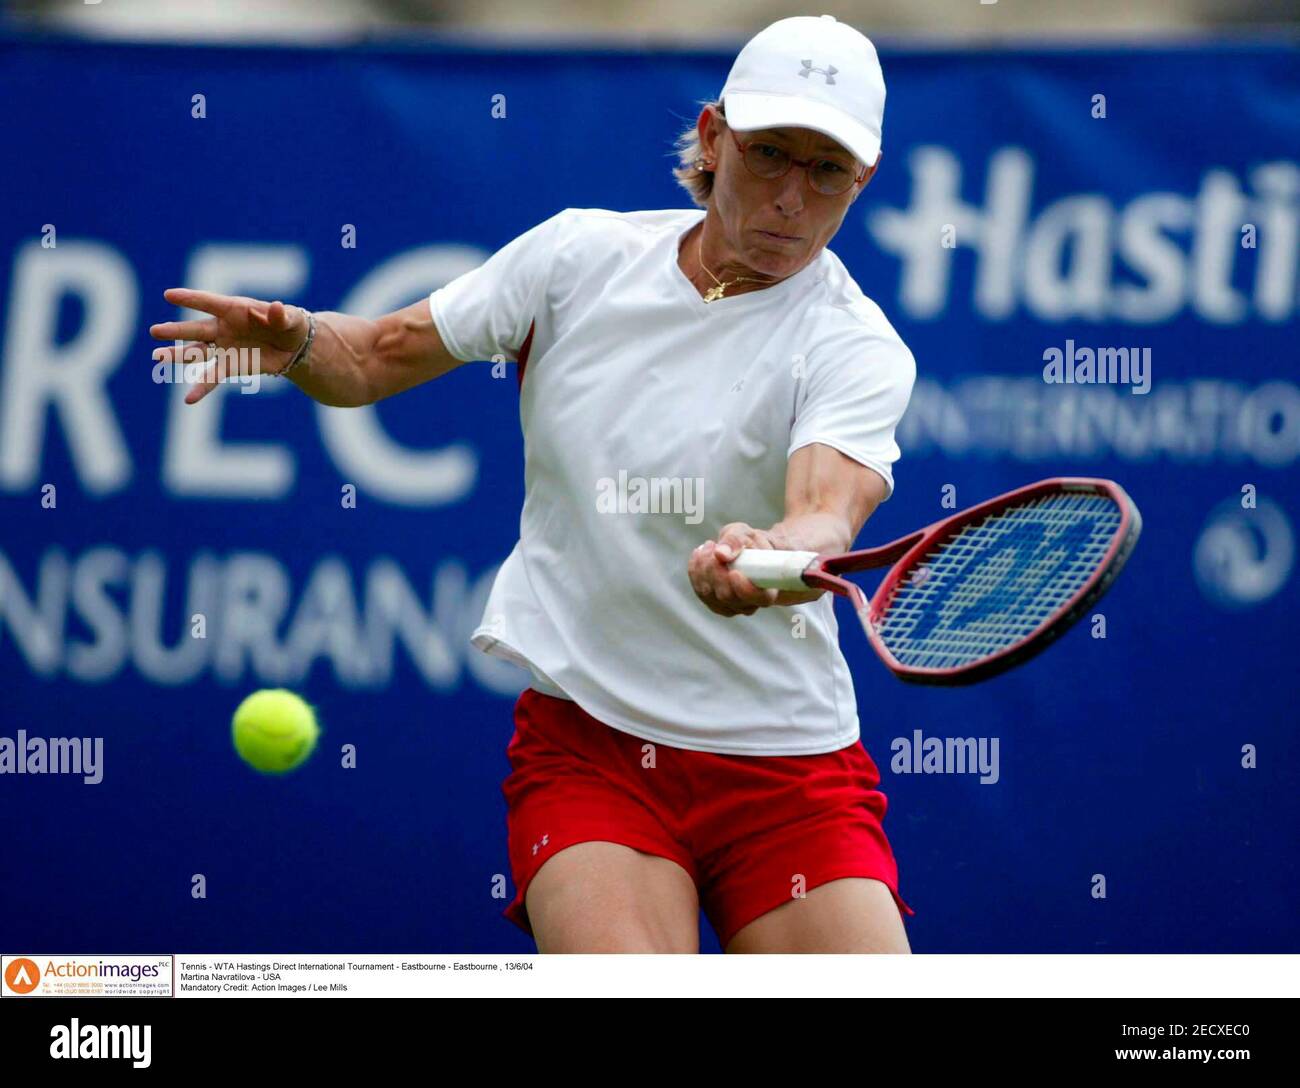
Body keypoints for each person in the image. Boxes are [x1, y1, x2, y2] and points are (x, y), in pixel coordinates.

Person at [149, 14, 917, 953]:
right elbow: (375, 359)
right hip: (595, 748)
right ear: (713, 139)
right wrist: (299, 341)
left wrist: (771, 555)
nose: (792, 197)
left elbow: (824, 514)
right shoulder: (576, 259)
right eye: (768, 155)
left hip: (788, 771)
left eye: (826, 170)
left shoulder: (856, 345)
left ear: (862, 182)